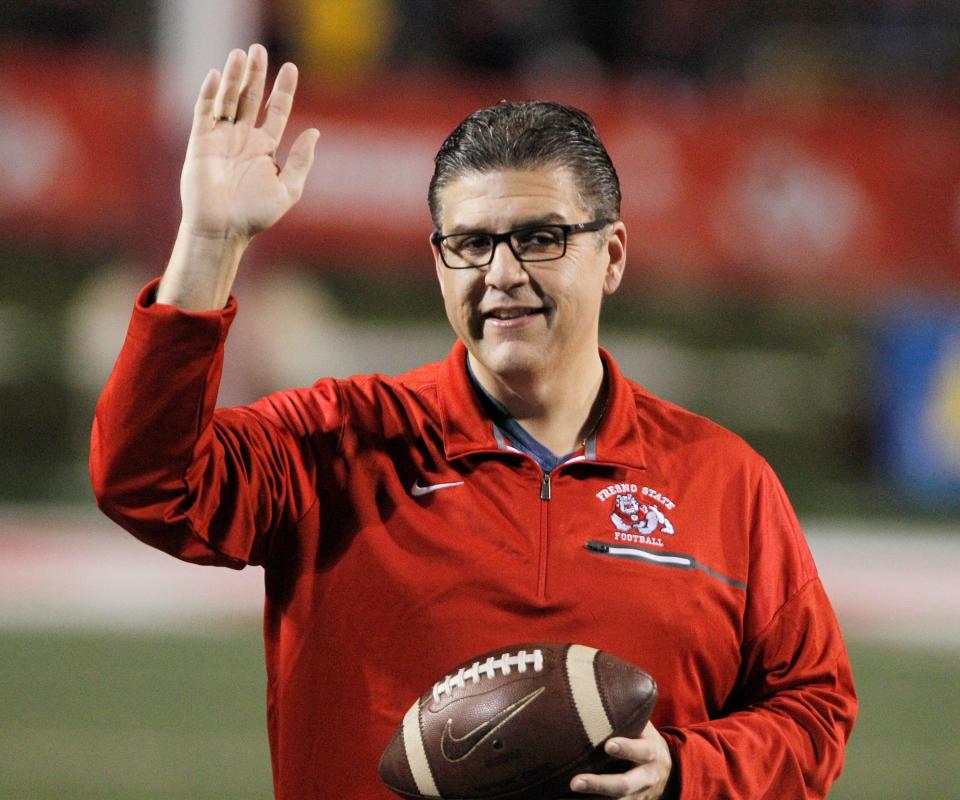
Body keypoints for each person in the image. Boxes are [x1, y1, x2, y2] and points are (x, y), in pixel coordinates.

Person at [90, 44, 857, 800]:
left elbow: (815, 712)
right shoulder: (340, 440)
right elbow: (147, 483)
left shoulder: (724, 481)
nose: (501, 274)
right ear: (438, 263)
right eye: (471, 244)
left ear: (613, 254)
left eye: (539, 238)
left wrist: (686, 771)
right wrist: (209, 245)